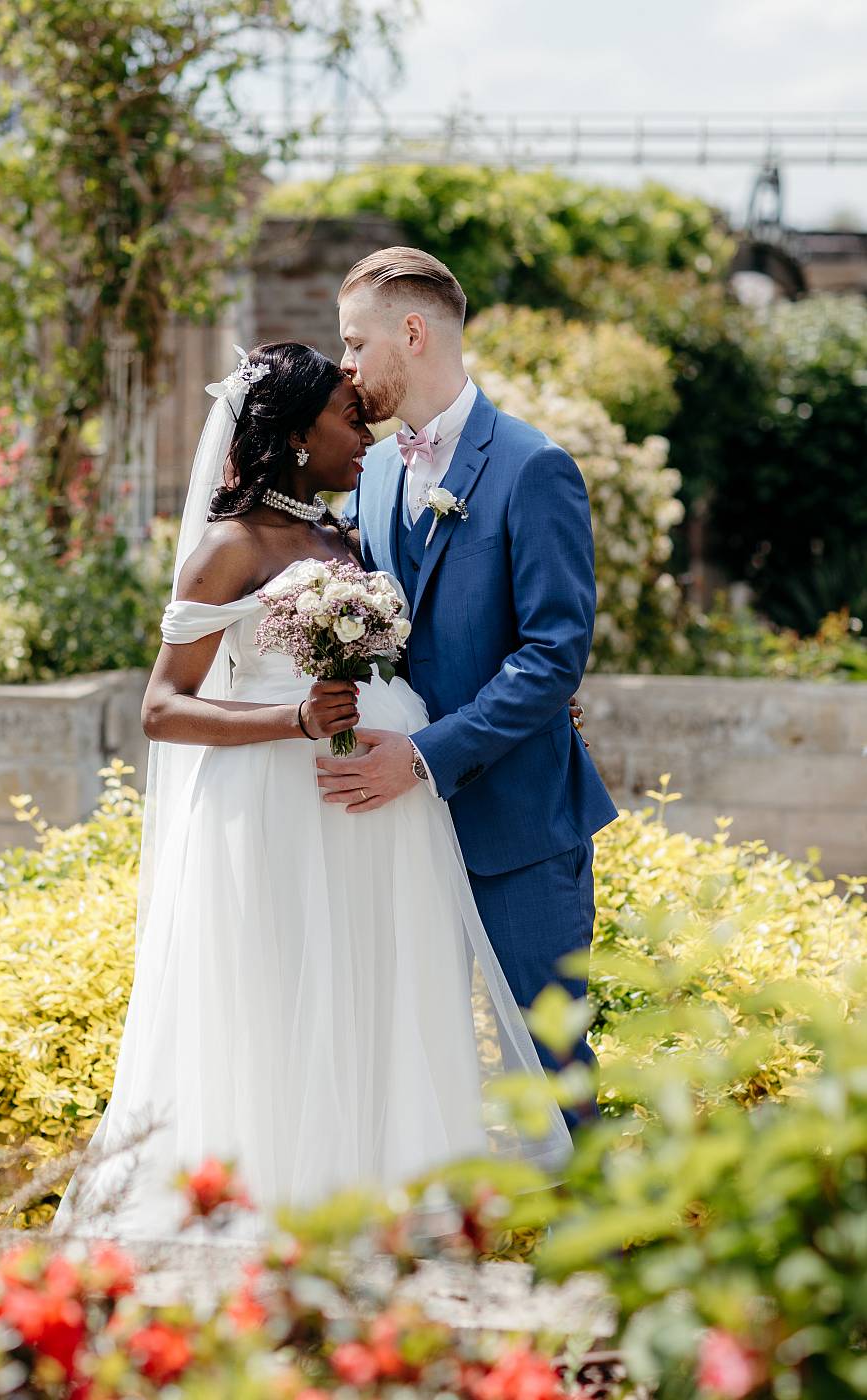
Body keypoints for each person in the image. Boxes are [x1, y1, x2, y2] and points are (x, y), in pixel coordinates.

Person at [50, 341, 571, 1244]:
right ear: (294, 433)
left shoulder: (348, 536)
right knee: (285, 1003)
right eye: (347, 416)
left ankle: (388, 1215)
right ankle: (274, 1224)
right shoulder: (229, 545)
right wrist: (292, 722)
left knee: (380, 996)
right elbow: (162, 709)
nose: (364, 431)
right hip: (275, 811)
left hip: (379, 809)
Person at [317, 249, 618, 1128]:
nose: (345, 365)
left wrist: (420, 757)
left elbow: (551, 659)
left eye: (355, 343)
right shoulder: (370, 474)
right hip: (398, 837)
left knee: (554, 1067)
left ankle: (597, 1257)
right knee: (419, 1059)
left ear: (411, 334)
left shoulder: (534, 468)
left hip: (517, 827)